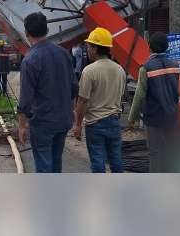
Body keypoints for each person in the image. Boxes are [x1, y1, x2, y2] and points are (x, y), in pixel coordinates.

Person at [17, 12, 77, 173]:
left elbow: (25, 98)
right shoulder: (64, 54)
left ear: (27, 33)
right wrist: (72, 111)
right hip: (63, 120)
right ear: (47, 30)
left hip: (42, 123)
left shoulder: (30, 59)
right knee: (56, 163)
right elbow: (72, 88)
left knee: (44, 166)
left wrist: (22, 125)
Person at [72, 27, 127, 173]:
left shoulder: (89, 71)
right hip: (114, 121)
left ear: (95, 49)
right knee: (116, 160)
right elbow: (121, 96)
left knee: (97, 161)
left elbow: (82, 101)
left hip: (95, 124)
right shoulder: (120, 70)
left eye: (89, 46)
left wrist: (77, 124)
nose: (87, 49)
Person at [127, 31, 180, 172]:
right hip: (171, 116)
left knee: (155, 153)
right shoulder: (175, 66)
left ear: (149, 46)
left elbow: (139, 96)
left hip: (154, 117)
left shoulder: (146, 67)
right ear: (167, 47)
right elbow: (175, 91)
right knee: (169, 152)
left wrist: (131, 118)